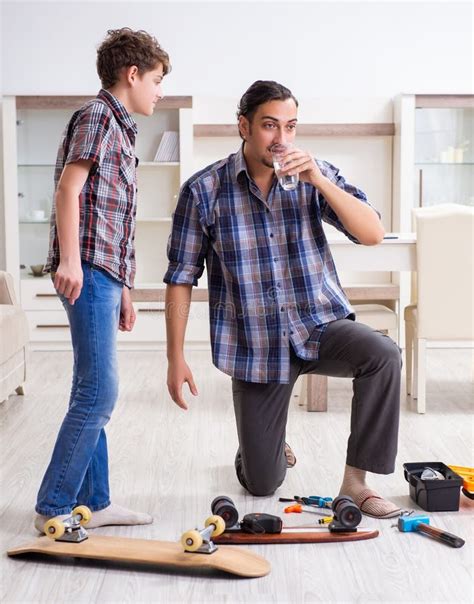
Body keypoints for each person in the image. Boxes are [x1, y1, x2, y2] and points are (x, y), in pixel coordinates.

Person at [164, 80, 403, 519]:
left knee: (383, 354)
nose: (282, 139)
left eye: (290, 127)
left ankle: (357, 482)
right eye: (270, 126)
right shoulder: (204, 191)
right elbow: (181, 277)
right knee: (261, 484)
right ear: (244, 126)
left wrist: (318, 181)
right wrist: (174, 356)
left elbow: (371, 233)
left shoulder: (313, 174)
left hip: (320, 327)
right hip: (256, 348)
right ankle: (262, 447)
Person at [35, 28, 170, 532]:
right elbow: (69, 190)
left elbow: (115, 215)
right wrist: (70, 261)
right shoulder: (96, 117)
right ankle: (52, 507)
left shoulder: (121, 126)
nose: (160, 90)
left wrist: (126, 288)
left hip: (105, 273)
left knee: (90, 390)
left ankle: (98, 500)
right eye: (156, 80)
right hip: (87, 269)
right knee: (99, 393)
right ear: (131, 74)